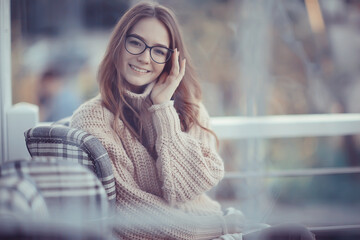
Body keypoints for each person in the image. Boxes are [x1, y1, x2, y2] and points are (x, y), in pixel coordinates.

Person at [70, 2, 315, 239]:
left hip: (217, 226)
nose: (145, 58)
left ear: (171, 60)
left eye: (158, 51)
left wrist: (162, 109)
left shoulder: (189, 107)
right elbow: (132, 215)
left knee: (309, 232)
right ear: (118, 45)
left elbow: (184, 188)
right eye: (136, 43)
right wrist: (220, 226)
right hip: (208, 230)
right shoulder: (92, 117)